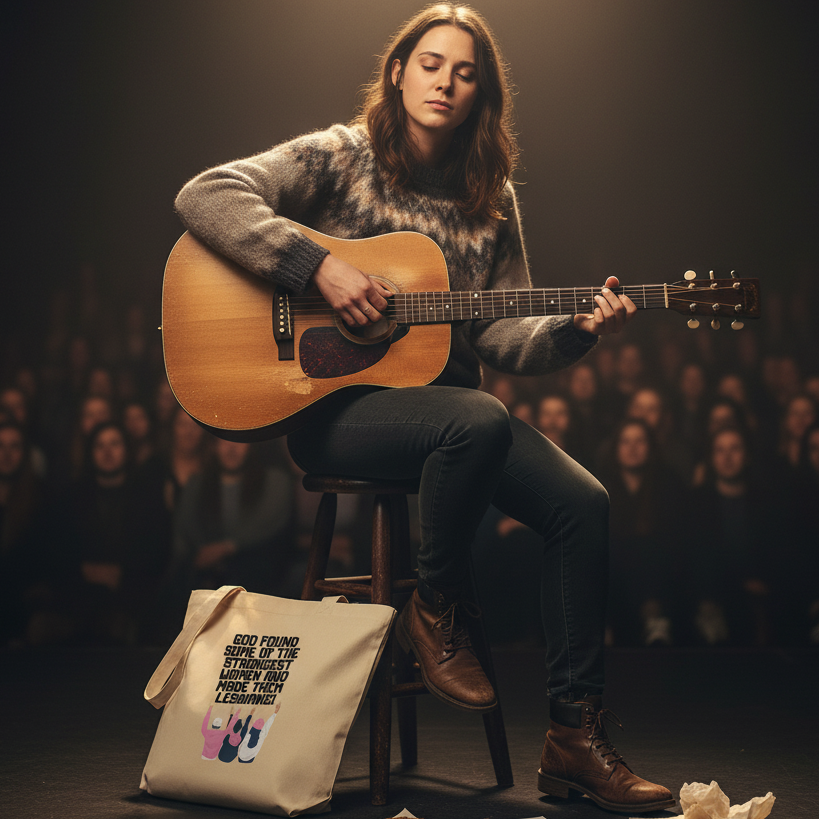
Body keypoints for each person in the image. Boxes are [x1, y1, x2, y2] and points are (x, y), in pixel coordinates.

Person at [173, 5, 672, 813]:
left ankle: (574, 738)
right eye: (431, 63)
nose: (446, 80)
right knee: (471, 417)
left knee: (582, 502)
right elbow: (206, 195)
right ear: (398, 70)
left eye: (465, 71)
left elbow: (504, 332)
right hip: (335, 413)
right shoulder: (341, 157)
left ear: (482, 95)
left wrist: (574, 331)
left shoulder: (491, 198)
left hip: (447, 418)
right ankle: (432, 609)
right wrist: (320, 269)